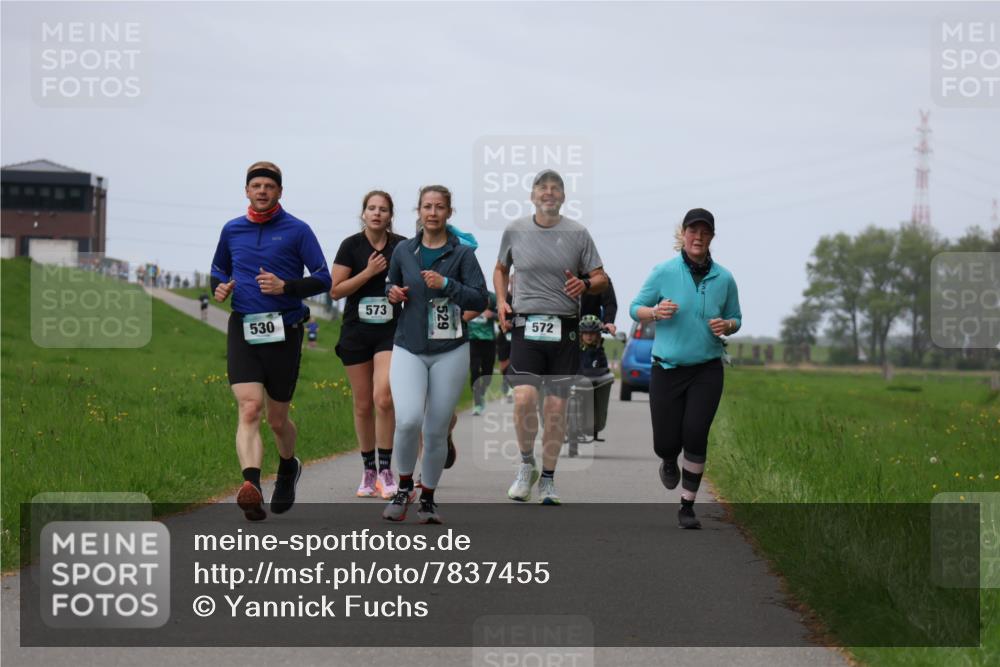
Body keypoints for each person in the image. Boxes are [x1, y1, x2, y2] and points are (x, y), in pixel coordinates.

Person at [210, 161, 331, 522]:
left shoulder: (298, 230)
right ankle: (252, 487)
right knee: (249, 408)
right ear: (246, 191)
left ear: (279, 192)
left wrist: (286, 287)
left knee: (278, 420)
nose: (262, 191)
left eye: (269, 186)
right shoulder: (232, 230)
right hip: (244, 326)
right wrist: (218, 286)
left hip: (285, 330)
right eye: (256, 186)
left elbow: (324, 278)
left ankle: (288, 466)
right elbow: (218, 269)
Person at [495, 169, 608, 505]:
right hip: (526, 327)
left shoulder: (578, 233)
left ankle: (548, 480)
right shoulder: (515, 230)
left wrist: (585, 284)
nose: (548, 193)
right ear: (532, 196)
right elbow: (501, 268)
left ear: (563, 196)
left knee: (556, 410)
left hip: (564, 329)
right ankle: (526, 464)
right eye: (542, 188)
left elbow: (601, 277)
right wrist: (502, 300)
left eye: (555, 188)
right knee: (524, 399)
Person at [629, 208, 742, 529]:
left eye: (705, 232)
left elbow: (736, 318)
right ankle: (668, 459)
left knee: (695, 433)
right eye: (693, 231)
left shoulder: (725, 278)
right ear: (684, 234)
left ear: (712, 238)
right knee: (666, 442)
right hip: (667, 368)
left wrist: (728, 324)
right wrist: (654, 311)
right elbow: (635, 308)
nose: (699, 237)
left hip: (707, 368)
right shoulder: (663, 271)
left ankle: (687, 507)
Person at [382, 185, 488, 523]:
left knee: (435, 429)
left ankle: (428, 498)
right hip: (408, 346)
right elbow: (390, 284)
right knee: (408, 419)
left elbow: (479, 299)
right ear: (418, 211)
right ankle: (402, 487)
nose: (432, 212)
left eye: (439, 207)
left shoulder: (462, 255)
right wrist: (393, 293)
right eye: (427, 206)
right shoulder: (403, 250)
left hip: (450, 349)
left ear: (448, 213)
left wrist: (447, 286)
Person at [331, 191, 406, 499]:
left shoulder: (402, 245)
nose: (377, 213)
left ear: (390, 215)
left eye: (383, 209)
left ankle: (387, 470)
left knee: (384, 397)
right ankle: (368, 470)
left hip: (390, 331)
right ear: (363, 213)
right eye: (371, 208)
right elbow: (336, 291)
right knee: (363, 404)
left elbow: (410, 283)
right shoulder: (351, 246)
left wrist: (400, 293)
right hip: (356, 331)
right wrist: (368, 272)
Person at [577, 314, 614, 442]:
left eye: (592, 333)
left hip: (593, 384)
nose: (589, 336)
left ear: (598, 335)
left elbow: (603, 369)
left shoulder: (599, 352)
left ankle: (593, 426)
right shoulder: (575, 351)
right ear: (580, 334)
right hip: (577, 383)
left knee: (595, 401)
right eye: (585, 333)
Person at [465, 291, 497, 415]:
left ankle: (482, 391)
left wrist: (492, 315)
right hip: (472, 340)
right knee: (474, 370)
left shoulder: (491, 297)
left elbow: (502, 314)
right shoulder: (466, 296)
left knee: (487, 373)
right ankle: (477, 402)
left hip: (488, 340)